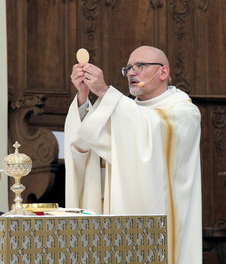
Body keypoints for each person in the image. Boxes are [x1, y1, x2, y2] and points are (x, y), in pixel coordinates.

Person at [65, 46, 202, 264]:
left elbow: (152, 128)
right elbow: (82, 144)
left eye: (140, 66)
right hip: (115, 220)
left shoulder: (184, 111)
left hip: (164, 222)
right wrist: (84, 96)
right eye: (128, 68)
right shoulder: (121, 110)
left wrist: (104, 92)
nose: (131, 72)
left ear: (163, 72)